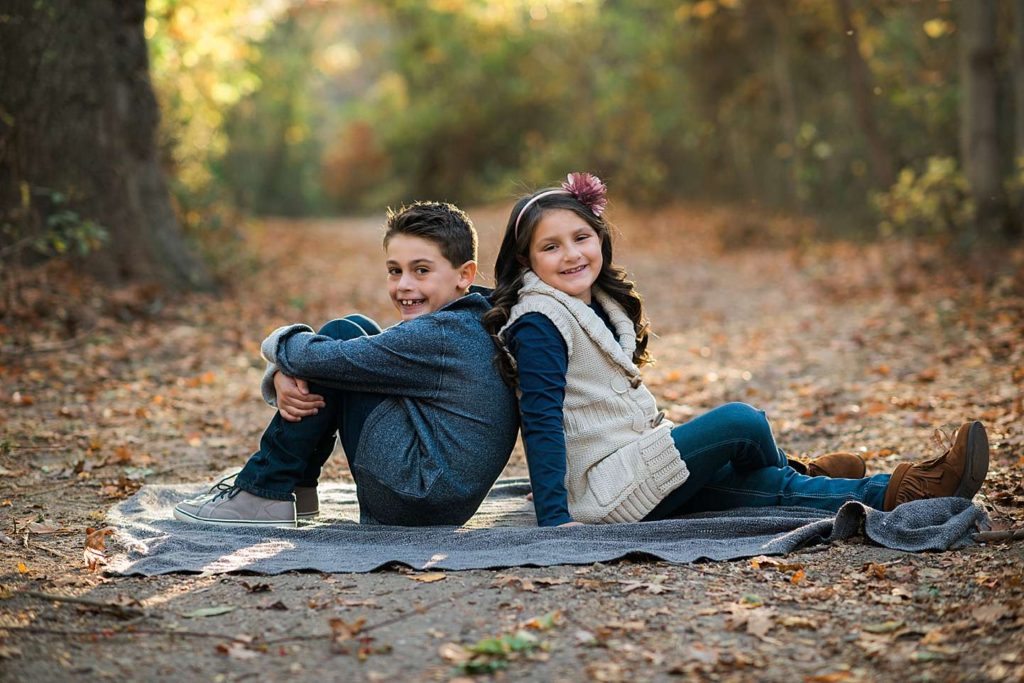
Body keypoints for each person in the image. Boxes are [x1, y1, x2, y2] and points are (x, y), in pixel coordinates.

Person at [482, 172, 990, 527]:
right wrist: (555, 518)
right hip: (609, 488)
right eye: (551, 247)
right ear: (526, 259)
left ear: (600, 239)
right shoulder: (540, 323)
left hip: (635, 467)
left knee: (770, 490)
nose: (571, 254)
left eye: (581, 237)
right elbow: (542, 418)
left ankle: (912, 489)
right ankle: (802, 469)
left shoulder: (592, 306)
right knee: (740, 421)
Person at [175, 201, 519, 527]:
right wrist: (287, 370)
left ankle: (266, 486)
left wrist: (278, 356)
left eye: (422, 270)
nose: (404, 285)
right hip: (442, 496)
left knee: (340, 336)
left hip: (415, 498)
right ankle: (296, 488)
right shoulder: (472, 318)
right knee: (358, 330)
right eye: (394, 271)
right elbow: (360, 356)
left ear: (464, 275)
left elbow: (321, 358)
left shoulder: (440, 335)